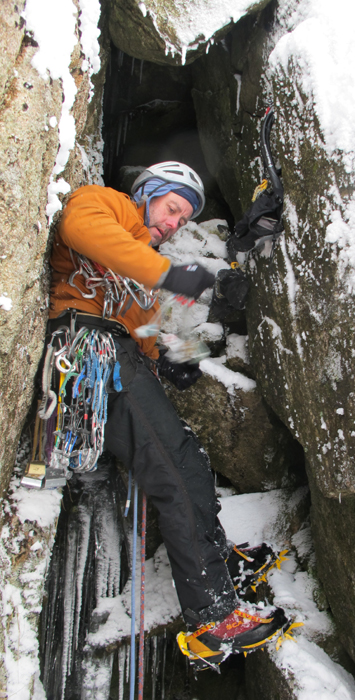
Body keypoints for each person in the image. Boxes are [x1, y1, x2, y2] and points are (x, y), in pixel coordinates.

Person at [47, 162, 289, 667]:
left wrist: (185, 358)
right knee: (176, 469)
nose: (174, 223)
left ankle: (220, 564)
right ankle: (211, 619)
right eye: (173, 207)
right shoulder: (106, 205)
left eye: (183, 219)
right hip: (90, 350)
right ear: (148, 193)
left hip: (119, 356)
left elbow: (153, 330)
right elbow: (77, 226)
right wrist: (182, 275)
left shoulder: (138, 265)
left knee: (190, 463)